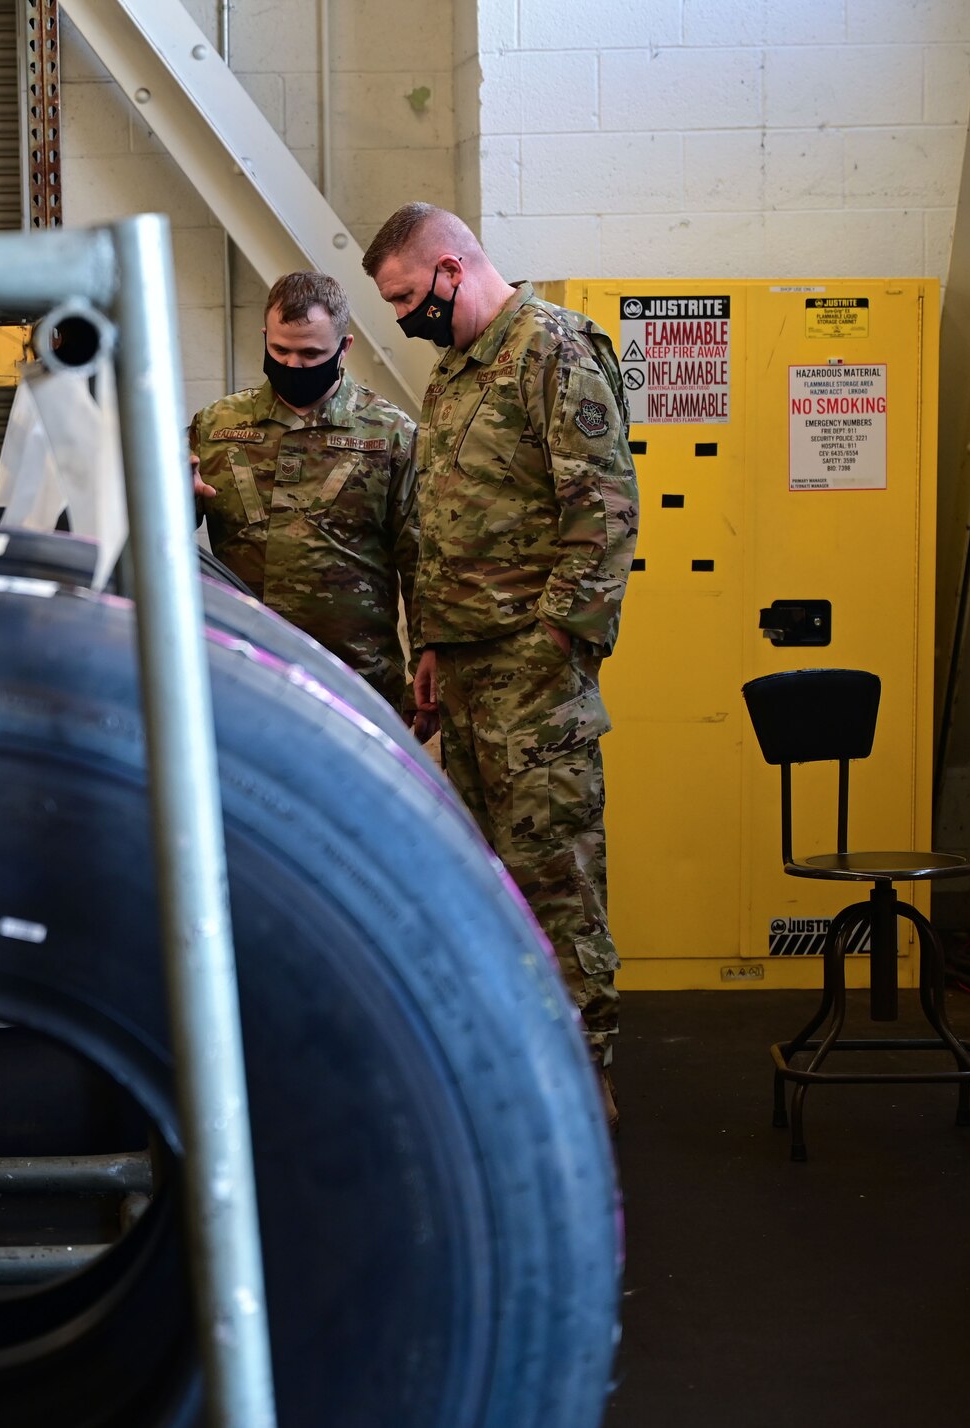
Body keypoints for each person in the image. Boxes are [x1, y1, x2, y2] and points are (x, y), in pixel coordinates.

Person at [363, 203, 638, 1126]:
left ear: (450, 268)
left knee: (554, 874)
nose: (404, 318)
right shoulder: (454, 372)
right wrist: (432, 642)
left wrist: (556, 645)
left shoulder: (555, 348)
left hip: (530, 673)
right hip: (469, 670)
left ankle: (584, 1075)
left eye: (407, 297)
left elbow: (601, 511)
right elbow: (441, 524)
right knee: (487, 881)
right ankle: (515, 1066)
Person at [187, 270, 417, 715]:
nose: (293, 365)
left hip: (354, 679)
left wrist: (430, 657)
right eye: (280, 350)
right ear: (265, 337)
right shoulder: (215, 425)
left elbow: (422, 559)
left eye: (312, 353)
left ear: (344, 348)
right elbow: (160, 536)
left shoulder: (390, 433)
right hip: (242, 669)